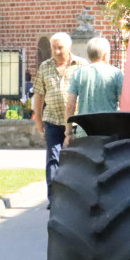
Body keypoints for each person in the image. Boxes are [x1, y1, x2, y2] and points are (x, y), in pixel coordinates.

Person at [33, 32, 87, 208]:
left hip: (76, 122)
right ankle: (54, 197)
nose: (56, 51)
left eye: (60, 47)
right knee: (53, 159)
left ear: (69, 47)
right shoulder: (45, 66)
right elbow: (39, 94)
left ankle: (76, 196)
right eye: (53, 48)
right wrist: (38, 119)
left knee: (77, 158)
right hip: (52, 120)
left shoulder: (81, 65)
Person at [64, 37, 123, 146]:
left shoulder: (78, 74)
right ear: (105, 55)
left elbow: (70, 106)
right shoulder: (116, 73)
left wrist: (68, 132)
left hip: (85, 129)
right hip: (109, 129)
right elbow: (124, 104)